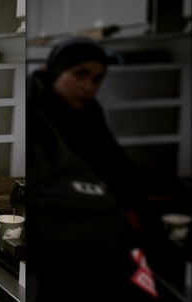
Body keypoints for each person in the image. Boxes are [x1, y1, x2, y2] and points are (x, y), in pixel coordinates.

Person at [25, 36, 158, 301]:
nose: (88, 86)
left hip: (102, 234)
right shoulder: (36, 113)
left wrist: (132, 204)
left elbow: (114, 164)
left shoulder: (88, 111)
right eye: (80, 74)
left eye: (97, 79)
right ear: (57, 71)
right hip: (61, 238)